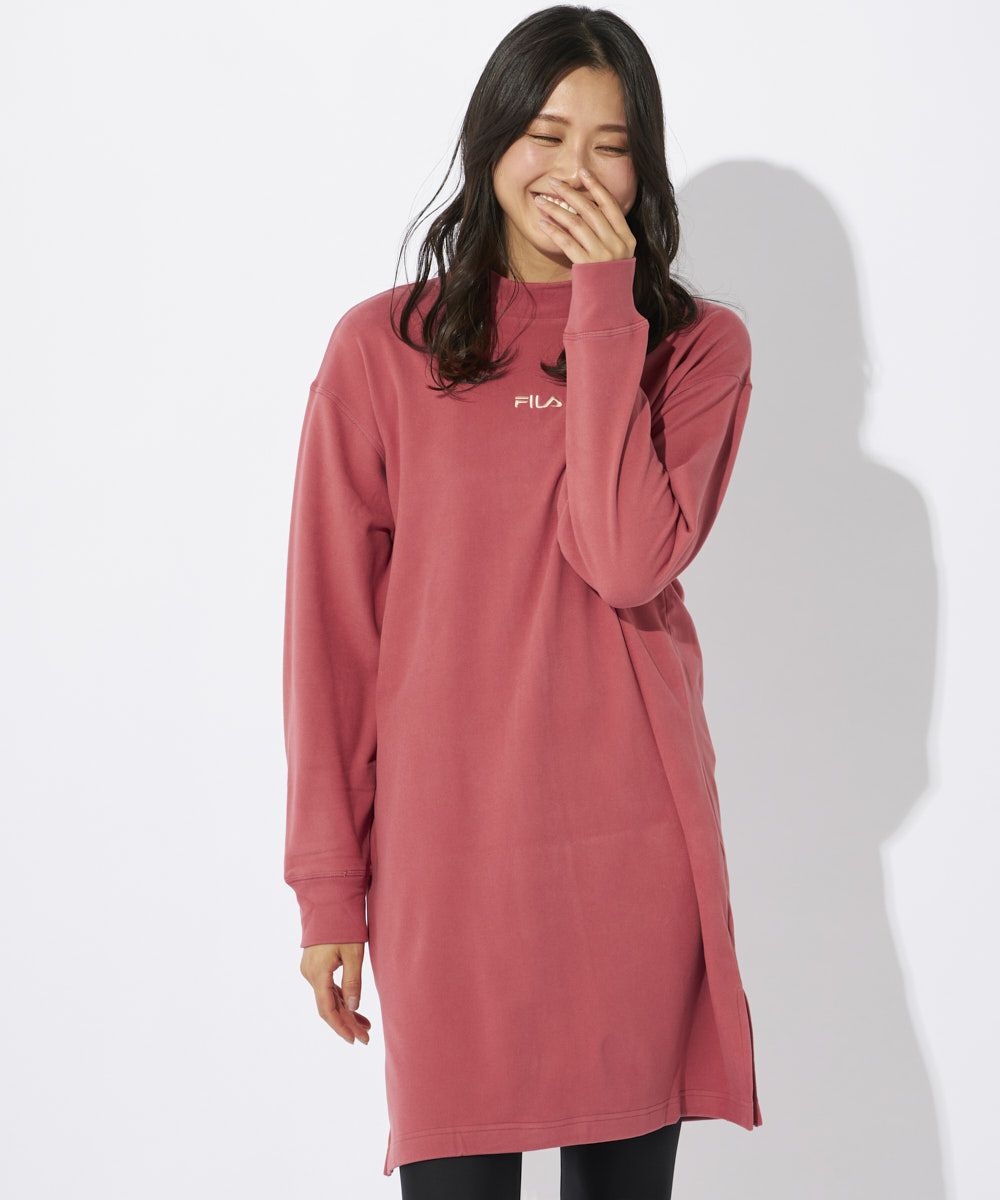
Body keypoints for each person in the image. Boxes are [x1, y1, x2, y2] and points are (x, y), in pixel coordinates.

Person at [282, 6, 762, 1196]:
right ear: (491, 141)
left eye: (611, 145)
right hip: (448, 860)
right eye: (546, 134)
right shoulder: (381, 349)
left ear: (644, 167)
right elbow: (330, 638)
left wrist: (604, 306)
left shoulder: (695, 349)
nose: (574, 170)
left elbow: (625, 559)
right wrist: (328, 887)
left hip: (630, 851)